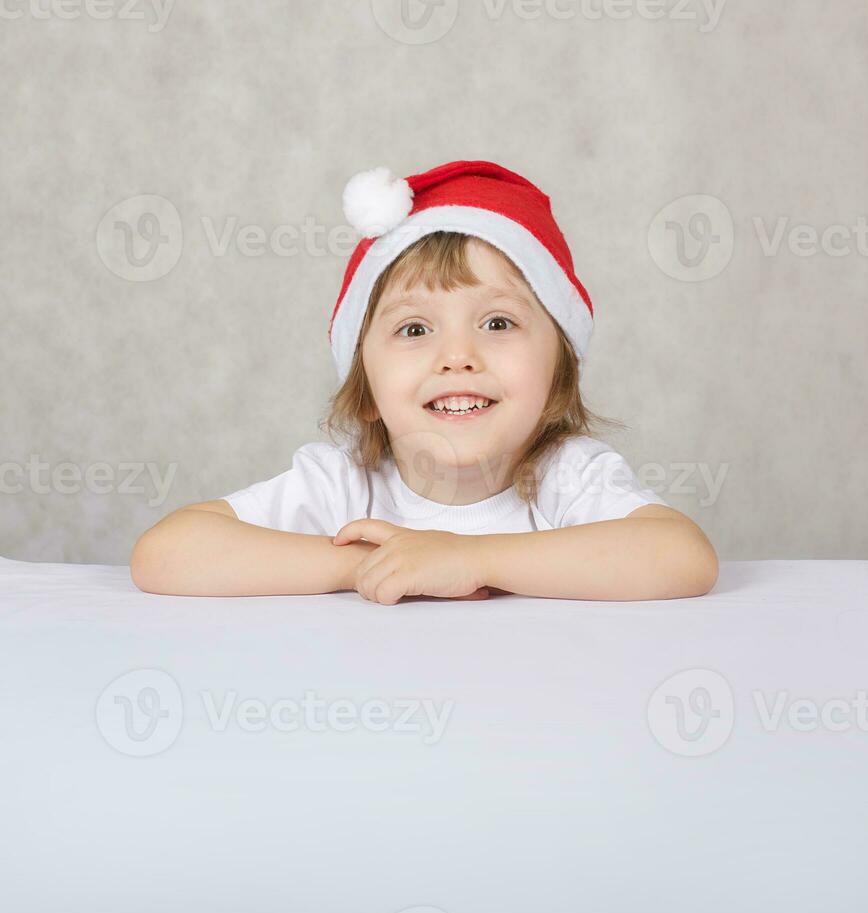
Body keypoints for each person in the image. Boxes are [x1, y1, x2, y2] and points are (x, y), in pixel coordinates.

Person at [131, 160, 718, 602]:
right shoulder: (346, 485)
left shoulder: (565, 478)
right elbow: (166, 555)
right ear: (365, 386)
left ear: (558, 367)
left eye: (497, 322)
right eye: (415, 329)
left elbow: (682, 557)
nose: (457, 356)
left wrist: (472, 560)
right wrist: (369, 564)